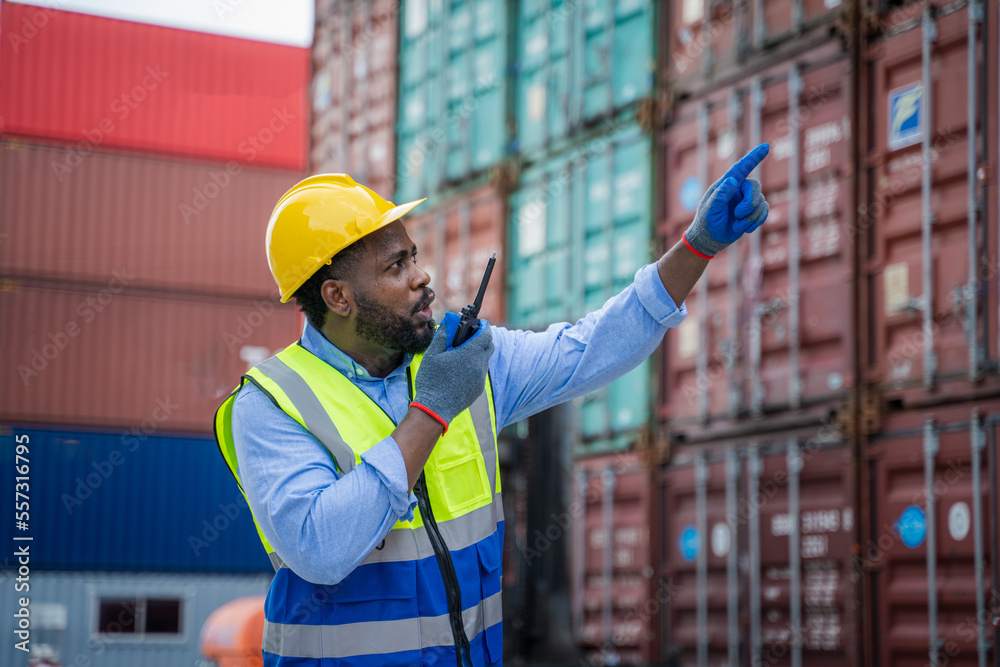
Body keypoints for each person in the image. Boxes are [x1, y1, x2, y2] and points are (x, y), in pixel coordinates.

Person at [214, 144, 771, 667]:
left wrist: (697, 246)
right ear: (337, 296)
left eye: (412, 256)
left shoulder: (461, 361)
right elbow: (320, 549)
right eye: (395, 267)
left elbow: (590, 348)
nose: (421, 276)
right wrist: (430, 411)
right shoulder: (270, 405)